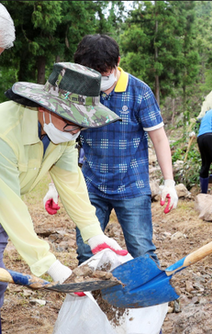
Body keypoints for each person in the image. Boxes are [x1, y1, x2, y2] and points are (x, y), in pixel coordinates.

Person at [0, 62, 128, 330]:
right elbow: (10, 205)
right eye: (71, 123)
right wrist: (51, 265)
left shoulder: (64, 135)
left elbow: (71, 183)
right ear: (46, 108)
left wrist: (95, 235)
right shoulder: (4, 133)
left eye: (82, 126)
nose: (75, 132)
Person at [73, 34, 178, 266]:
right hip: (91, 185)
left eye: (104, 73)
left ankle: (149, 299)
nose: (99, 79)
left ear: (117, 62)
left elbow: (159, 139)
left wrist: (168, 182)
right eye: (93, 74)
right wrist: (54, 186)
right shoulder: (80, 91)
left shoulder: (139, 91)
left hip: (132, 185)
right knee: (86, 251)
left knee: (141, 250)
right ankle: (93, 300)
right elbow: (68, 138)